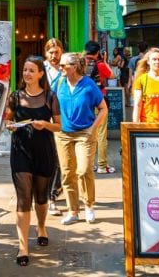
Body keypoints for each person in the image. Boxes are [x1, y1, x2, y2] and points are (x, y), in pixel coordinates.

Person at [5, 56, 60, 267]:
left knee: (41, 197)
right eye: (25, 70)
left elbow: (59, 126)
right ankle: (23, 246)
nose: (27, 73)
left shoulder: (50, 97)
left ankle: (42, 226)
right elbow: (8, 120)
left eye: (31, 70)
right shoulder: (15, 97)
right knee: (24, 197)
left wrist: (45, 124)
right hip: (20, 151)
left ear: (40, 74)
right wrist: (9, 125)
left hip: (44, 151)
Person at [54, 52, 107, 225]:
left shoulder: (88, 84)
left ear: (75, 67)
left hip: (85, 132)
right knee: (68, 173)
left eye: (63, 65)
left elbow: (103, 108)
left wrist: (93, 128)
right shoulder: (59, 82)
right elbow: (50, 103)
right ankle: (73, 211)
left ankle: (89, 206)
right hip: (63, 134)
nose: (60, 68)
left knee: (84, 170)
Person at [83, 41, 114, 174]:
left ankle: (89, 164)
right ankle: (102, 165)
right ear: (98, 53)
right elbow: (112, 75)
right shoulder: (100, 65)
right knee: (101, 134)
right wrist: (105, 60)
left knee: (87, 134)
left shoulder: (80, 64)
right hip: (99, 102)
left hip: (84, 102)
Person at [42, 38, 65, 215]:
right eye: (51, 52)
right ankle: (49, 192)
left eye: (57, 52)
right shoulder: (41, 69)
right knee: (46, 158)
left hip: (62, 119)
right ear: (46, 53)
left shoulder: (66, 68)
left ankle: (52, 196)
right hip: (44, 118)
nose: (54, 55)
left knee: (58, 159)